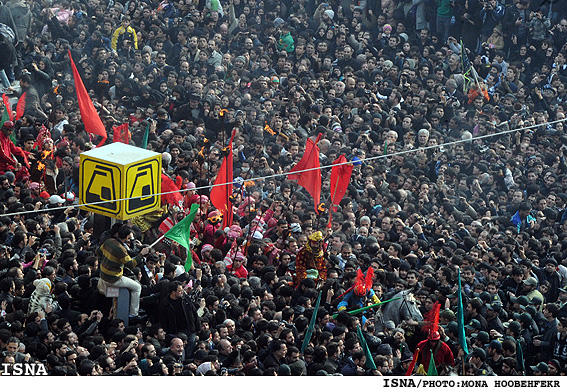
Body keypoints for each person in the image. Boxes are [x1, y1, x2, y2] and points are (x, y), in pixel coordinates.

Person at [96, 224, 149, 319]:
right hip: (113, 278)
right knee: (137, 287)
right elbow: (131, 264)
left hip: (103, 275)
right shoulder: (121, 249)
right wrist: (141, 254)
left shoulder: (108, 241)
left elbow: (98, 252)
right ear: (127, 237)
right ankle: (134, 314)